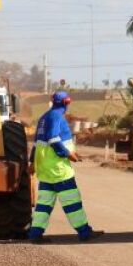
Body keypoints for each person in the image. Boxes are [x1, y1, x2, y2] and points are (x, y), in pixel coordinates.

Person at [28, 91, 103, 242]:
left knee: (43, 204)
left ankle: (35, 234)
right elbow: (54, 139)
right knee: (72, 201)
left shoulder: (43, 117)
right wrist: (68, 154)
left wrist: (32, 163)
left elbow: (36, 143)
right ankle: (84, 232)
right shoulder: (56, 117)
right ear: (66, 103)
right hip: (59, 170)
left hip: (45, 170)